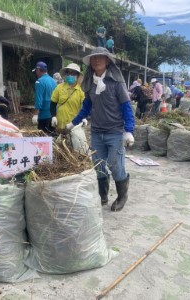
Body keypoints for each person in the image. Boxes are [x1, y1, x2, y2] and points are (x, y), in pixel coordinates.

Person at [65, 47, 135, 212]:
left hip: (115, 132)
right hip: (97, 132)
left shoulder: (116, 83)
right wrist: (73, 122)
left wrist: (129, 130)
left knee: (115, 165)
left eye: (100, 58)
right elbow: (87, 107)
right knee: (99, 165)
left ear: (107, 61)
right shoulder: (90, 83)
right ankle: (103, 196)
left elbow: (127, 107)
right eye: (93, 58)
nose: (96, 61)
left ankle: (122, 196)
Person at [50, 63, 86, 131]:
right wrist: (53, 116)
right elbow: (53, 103)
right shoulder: (59, 87)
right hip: (60, 124)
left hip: (74, 126)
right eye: (68, 73)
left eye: (73, 73)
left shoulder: (82, 90)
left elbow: (85, 106)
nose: (70, 75)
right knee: (60, 141)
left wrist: (84, 118)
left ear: (78, 76)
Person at [32, 61, 57, 135]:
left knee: (43, 140)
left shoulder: (39, 82)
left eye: (36, 71)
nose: (36, 73)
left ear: (38, 70)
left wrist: (36, 114)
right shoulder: (54, 81)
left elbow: (39, 99)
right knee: (52, 139)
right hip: (53, 115)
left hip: (44, 115)